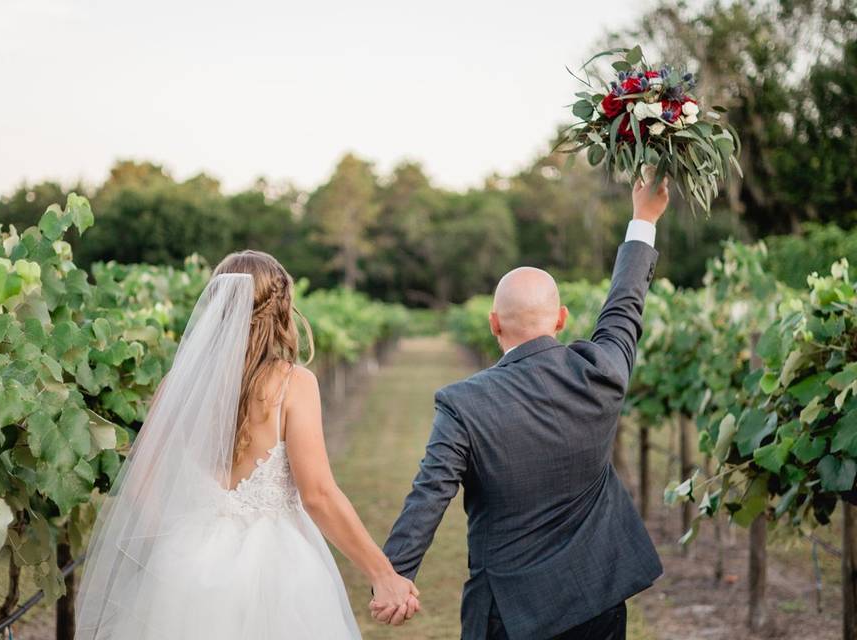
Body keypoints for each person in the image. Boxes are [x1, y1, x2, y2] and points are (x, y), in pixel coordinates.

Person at [373, 176, 670, 639]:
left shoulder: (462, 404)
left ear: (493, 324)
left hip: (508, 614)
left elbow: (429, 494)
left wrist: (394, 573)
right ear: (561, 318)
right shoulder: (602, 371)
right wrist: (643, 219)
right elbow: (624, 306)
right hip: (598, 600)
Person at [75, 250, 419, 639]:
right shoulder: (293, 384)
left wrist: (178, 548)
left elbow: (141, 481)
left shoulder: (180, 386)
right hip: (277, 569)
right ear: (282, 309)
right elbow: (318, 495)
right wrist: (383, 574)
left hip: (185, 565)